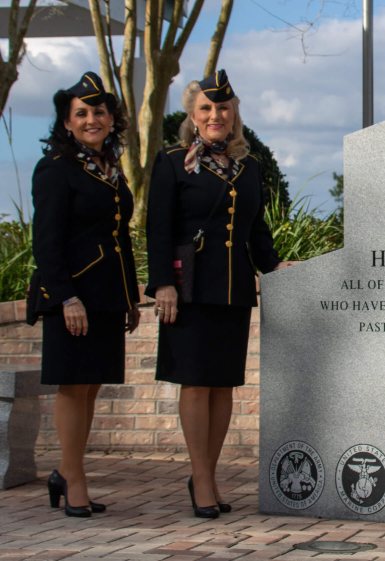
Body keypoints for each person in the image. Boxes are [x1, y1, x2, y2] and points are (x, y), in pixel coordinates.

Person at [146, 70, 297, 519]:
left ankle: (205, 473)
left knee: (223, 385)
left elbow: (255, 227)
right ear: (193, 117)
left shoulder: (248, 165)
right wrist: (162, 284)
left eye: (224, 109)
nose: (216, 115)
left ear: (234, 117)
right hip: (189, 290)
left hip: (232, 290)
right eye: (207, 109)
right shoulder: (173, 161)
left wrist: (273, 265)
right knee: (195, 384)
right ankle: (203, 479)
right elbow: (158, 228)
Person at [32, 71, 141, 517]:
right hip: (73, 296)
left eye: (99, 111)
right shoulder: (55, 169)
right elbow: (46, 239)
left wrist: (131, 295)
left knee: (91, 387)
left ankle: (66, 470)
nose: (92, 119)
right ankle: (73, 478)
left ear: (112, 119)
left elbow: (121, 237)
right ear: (67, 121)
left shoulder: (109, 170)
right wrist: (64, 297)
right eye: (82, 113)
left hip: (107, 295)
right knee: (74, 387)